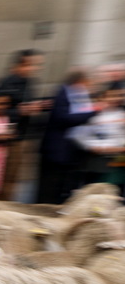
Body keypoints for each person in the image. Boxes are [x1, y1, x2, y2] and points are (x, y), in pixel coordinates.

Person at [36, 68, 102, 204]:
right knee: (49, 191)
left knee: (63, 190)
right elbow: (63, 118)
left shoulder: (78, 95)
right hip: (56, 151)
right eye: (89, 83)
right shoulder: (62, 94)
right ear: (80, 81)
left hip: (71, 152)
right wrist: (93, 113)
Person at [0, 49, 47, 200]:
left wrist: (37, 107)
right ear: (20, 65)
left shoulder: (30, 83)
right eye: (31, 65)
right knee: (1, 177)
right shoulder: (6, 83)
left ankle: (5, 206)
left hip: (22, 135)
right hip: (5, 138)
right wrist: (19, 111)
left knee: (12, 178)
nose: (34, 68)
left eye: (36, 65)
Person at [67, 87, 125, 188]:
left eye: (119, 96)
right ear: (102, 98)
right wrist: (96, 147)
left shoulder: (121, 114)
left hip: (118, 161)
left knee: (116, 192)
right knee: (95, 191)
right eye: (111, 96)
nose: (115, 99)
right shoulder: (93, 114)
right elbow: (78, 135)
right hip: (97, 161)